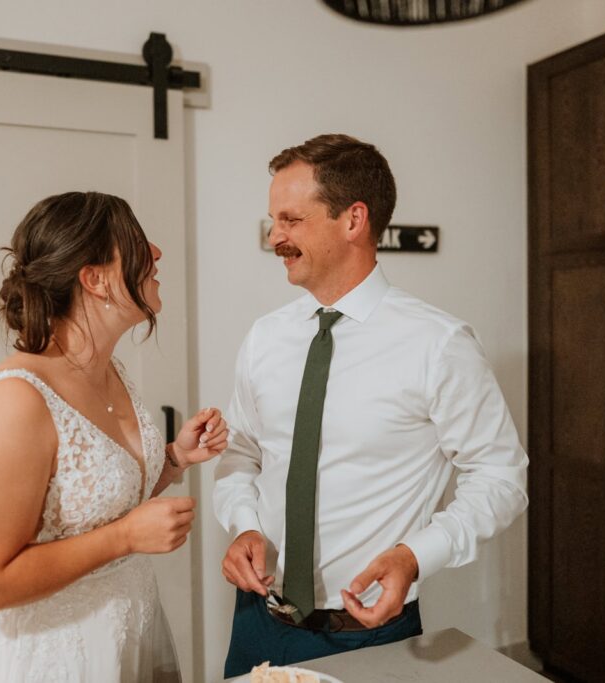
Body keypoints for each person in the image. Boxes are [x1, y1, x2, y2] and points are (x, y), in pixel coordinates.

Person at [214, 134, 529, 677]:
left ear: (353, 220)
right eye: (274, 220)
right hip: (256, 625)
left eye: (291, 220)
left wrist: (414, 556)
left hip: (370, 635)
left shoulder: (439, 344)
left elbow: (501, 477)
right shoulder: (264, 339)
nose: (275, 237)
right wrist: (243, 524)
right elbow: (241, 453)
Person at [0, 191, 227, 683]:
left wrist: (175, 458)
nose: (156, 253)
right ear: (94, 279)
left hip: (124, 641)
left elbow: (87, 503)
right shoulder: (14, 401)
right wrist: (126, 538)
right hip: (47, 661)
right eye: (138, 244)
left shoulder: (110, 372)